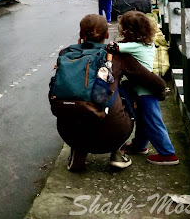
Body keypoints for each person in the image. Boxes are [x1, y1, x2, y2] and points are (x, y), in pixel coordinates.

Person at [56, 14, 167, 172]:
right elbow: (152, 81)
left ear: (81, 34)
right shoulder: (118, 56)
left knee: (78, 100)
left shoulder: (65, 54)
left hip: (69, 132)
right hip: (112, 134)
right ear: (107, 35)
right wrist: (161, 91)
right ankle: (117, 152)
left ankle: (79, 152)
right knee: (125, 92)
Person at [107, 11, 179, 166]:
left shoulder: (133, 47)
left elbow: (113, 47)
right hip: (145, 90)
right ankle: (139, 145)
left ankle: (168, 153)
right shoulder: (147, 44)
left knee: (152, 121)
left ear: (129, 31)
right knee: (143, 119)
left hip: (145, 91)